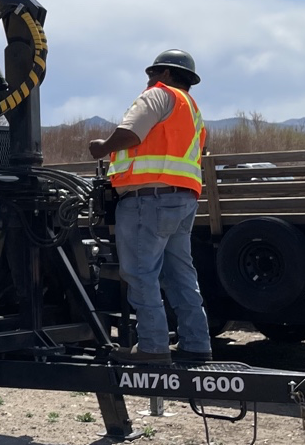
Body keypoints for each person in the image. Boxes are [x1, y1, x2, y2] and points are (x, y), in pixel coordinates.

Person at [88, 49, 214, 364]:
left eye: (153, 72)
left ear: (168, 74)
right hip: (183, 198)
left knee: (140, 272)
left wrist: (102, 148)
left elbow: (132, 133)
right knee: (180, 273)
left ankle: (153, 347)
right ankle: (196, 345)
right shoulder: (193, 111)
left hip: (148, 198)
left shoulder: (157, 96)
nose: (149, 79)